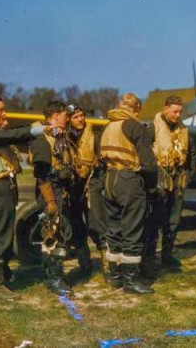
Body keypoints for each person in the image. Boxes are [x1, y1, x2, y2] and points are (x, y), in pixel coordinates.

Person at [0, 94, 52, 300]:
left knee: (2, 232)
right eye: (1, 110)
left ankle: (2, 275)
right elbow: (5, 138)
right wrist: (35, 130)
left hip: (2, 188)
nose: (5, 114)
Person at [100, 93, 158, 294]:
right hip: (128, 180)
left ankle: (115, 275)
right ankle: (131, 281)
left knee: (114, 229)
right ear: (136, 109)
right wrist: (151, 186)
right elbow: (149, 164)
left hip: (110, 179)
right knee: (132, 229)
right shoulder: (134, 126)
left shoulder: (109, 126)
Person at [141, 95, 196, 275]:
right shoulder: (151, 128)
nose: (177, 115)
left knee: (173, 221)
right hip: (158, 183)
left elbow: (192, 154)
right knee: (154, 221)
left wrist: (188, 176)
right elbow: (144, 154)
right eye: (174, 112)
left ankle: (167, 254)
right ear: (165, 110)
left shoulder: (184, 130)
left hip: (177, 183)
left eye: (180, 112)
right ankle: (148, 259)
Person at [29, 101, 75, 295]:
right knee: (53, 235)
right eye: (65, 115)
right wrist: (50, 202)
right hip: (50, 191)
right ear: (55, 116)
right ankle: (53, 278)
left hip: (59, 191)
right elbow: (40, 174)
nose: (68, 118)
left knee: (62, 233)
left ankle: (56, 275)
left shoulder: (57, 136)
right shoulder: (42, 140)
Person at [66, 104, 108, 276]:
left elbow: (104, 161)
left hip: (92, 183)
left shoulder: (95, 136)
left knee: (96, 222)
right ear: (69, 119)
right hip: (72, 187)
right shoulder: (64, 138)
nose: (80, 119)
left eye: (82, 115)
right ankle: (85, 262)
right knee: (75, 223)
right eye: (76, 117)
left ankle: (107, 261)